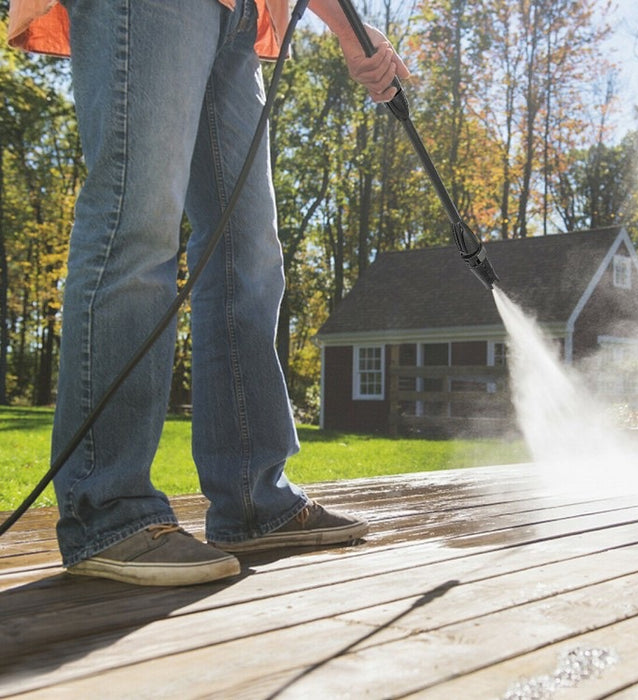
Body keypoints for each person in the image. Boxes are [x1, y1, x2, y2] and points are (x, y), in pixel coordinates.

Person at [8, 0, 409, 586]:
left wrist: (349, 28)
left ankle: (254, 498)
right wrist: (349, 30)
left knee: (247, 255)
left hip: (240, 16)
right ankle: (109, 510)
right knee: (137, 223)